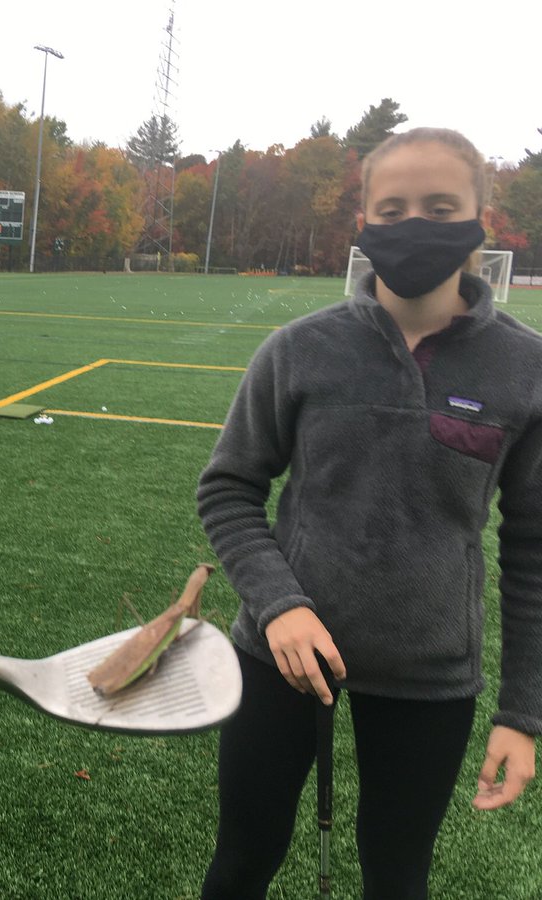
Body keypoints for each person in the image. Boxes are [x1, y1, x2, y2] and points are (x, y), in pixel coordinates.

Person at [197, 127, 542, 899]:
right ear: (363, 222)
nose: (414, 222)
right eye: (392, 208)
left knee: (397, 878)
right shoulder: (299, 349)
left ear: (482, 218)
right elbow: (228, 488)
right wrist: (280, 607)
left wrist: (522, 713)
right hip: (278, 658)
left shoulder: (527, 371)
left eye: (440, 205)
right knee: (243, 859)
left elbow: (533, 551)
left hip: (430, 676)